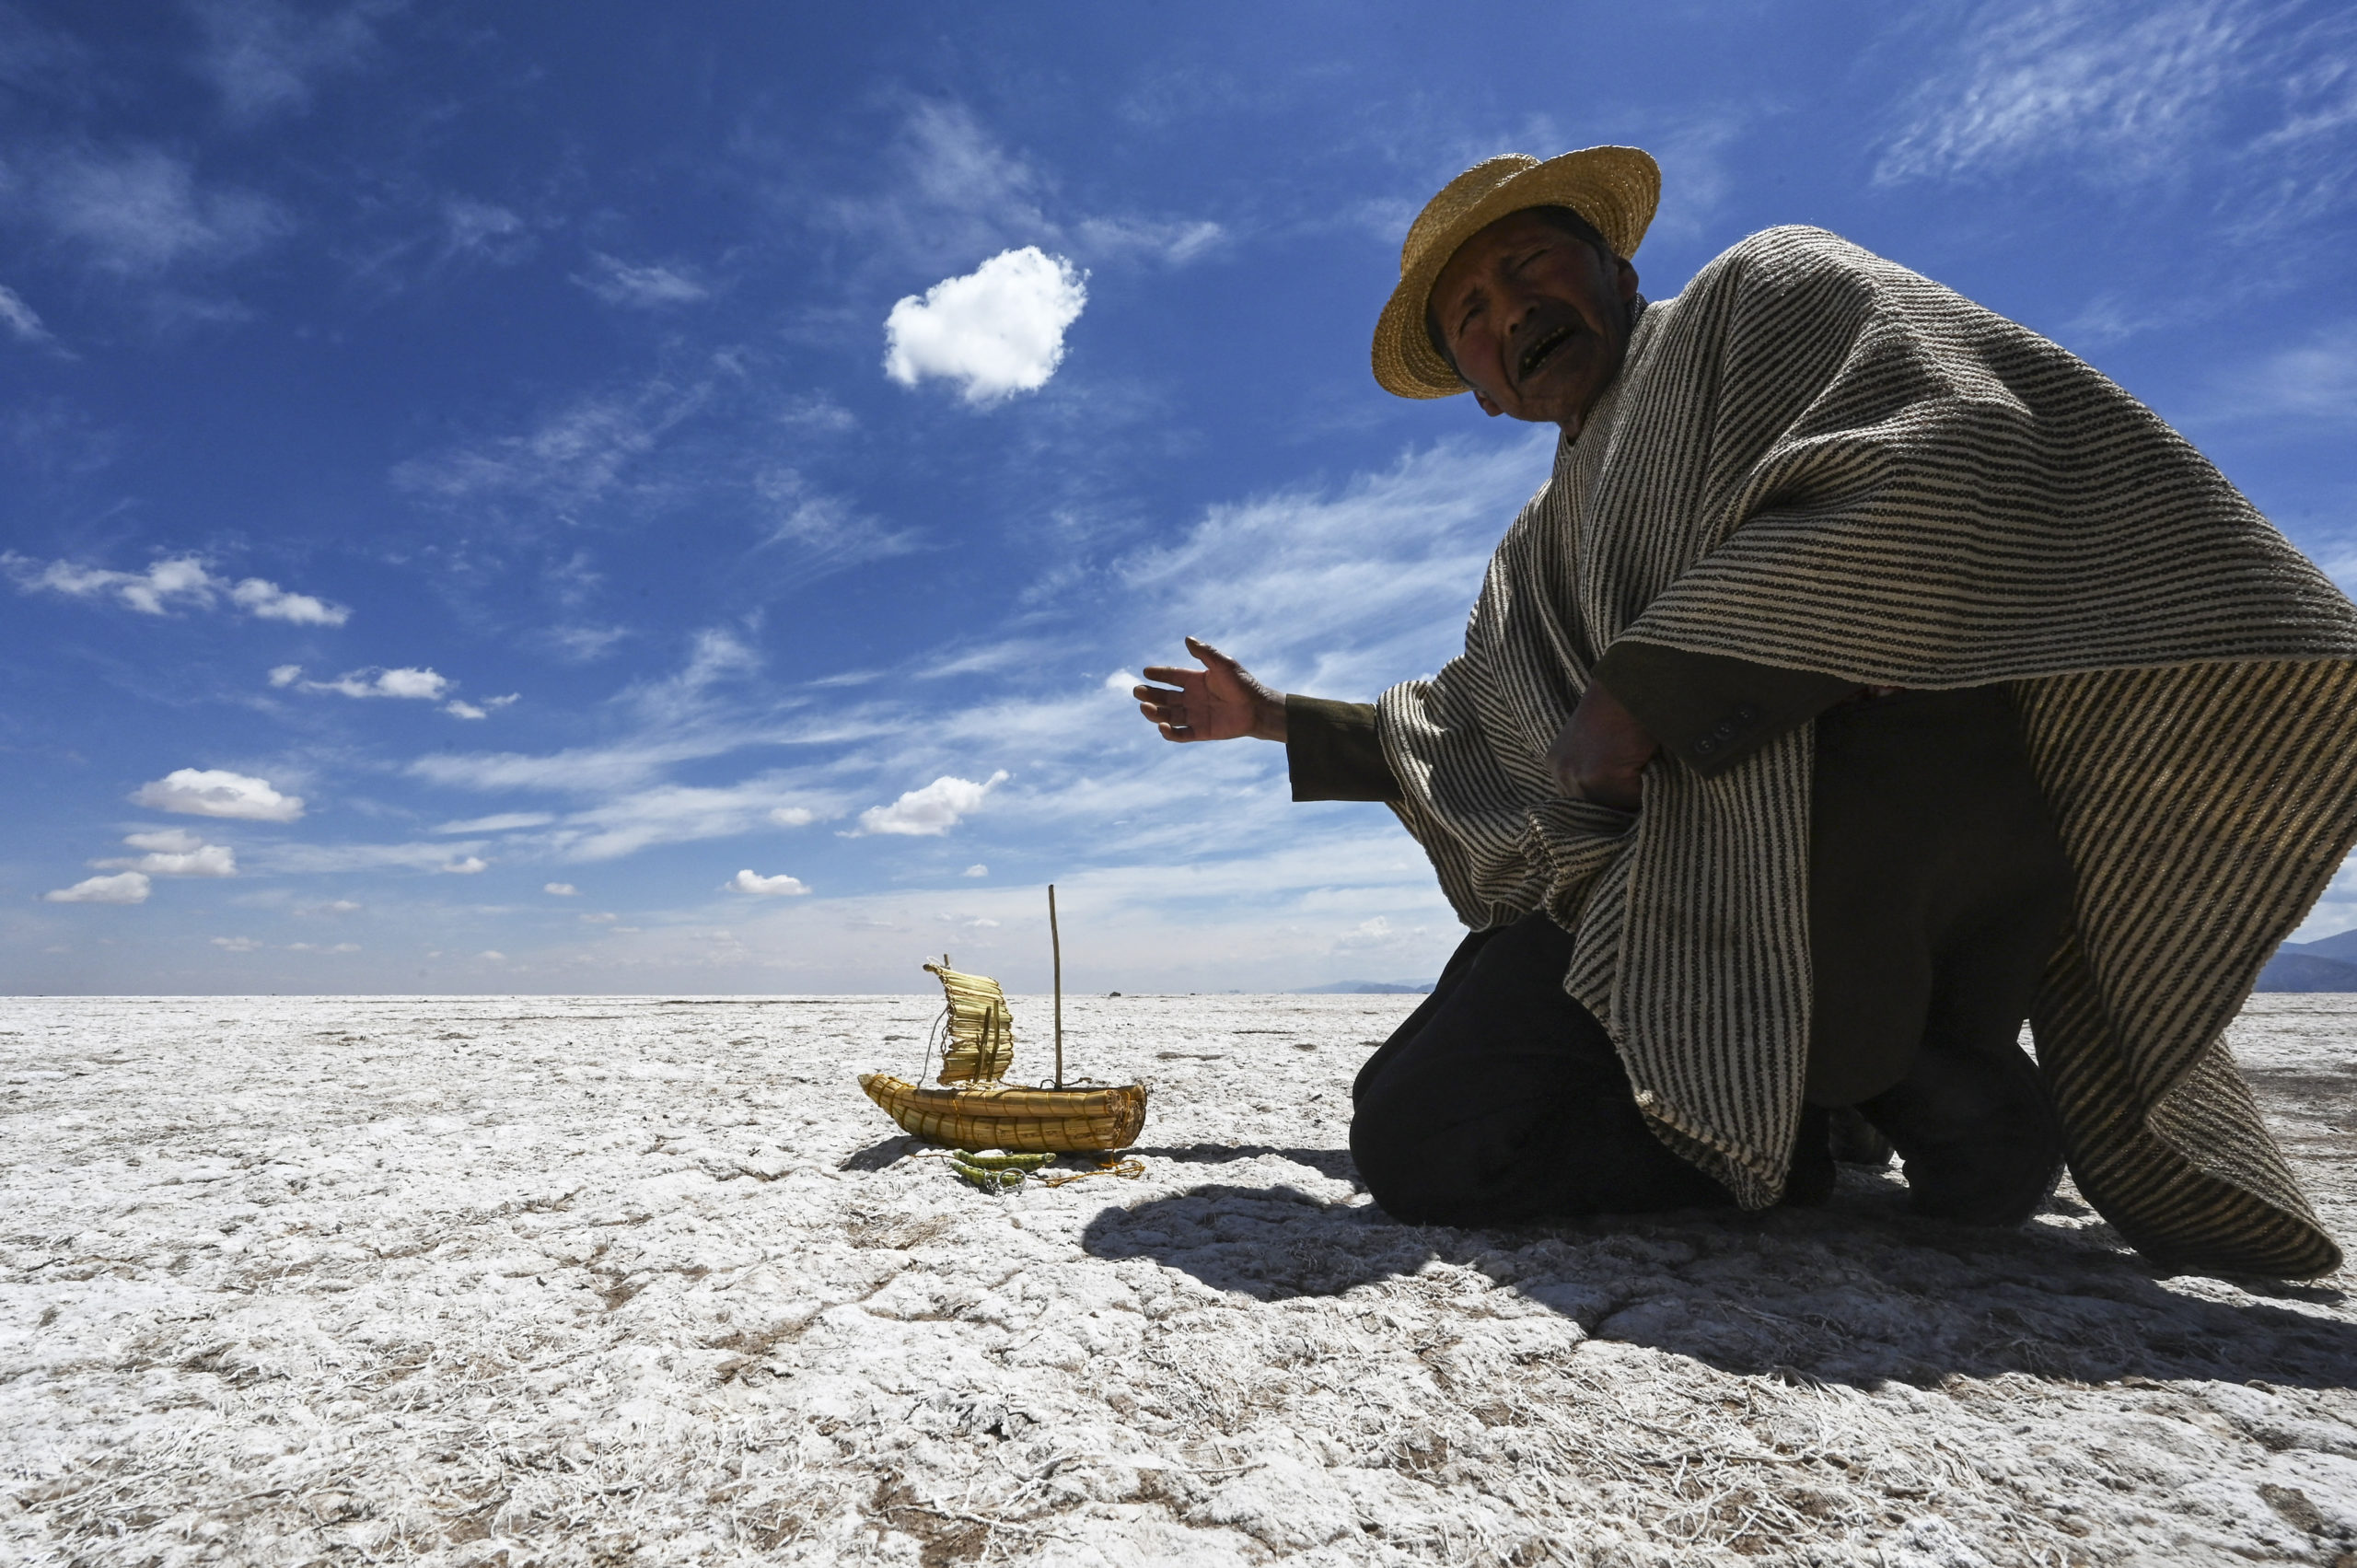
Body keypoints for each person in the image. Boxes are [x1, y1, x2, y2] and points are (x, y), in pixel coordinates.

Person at [1133, 146, 2357, 1278]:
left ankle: (1853, 1087)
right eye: (1471, 316)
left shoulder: (1760, 300)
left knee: (1433, 1139)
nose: (1510, 312)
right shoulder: (1532, 559)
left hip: (1883, 843)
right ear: (1480, 391)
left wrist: (1661, 686)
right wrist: (1271, 718)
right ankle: (1865, 1102)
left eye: (1528, 268)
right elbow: (1464, 728)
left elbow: (1962, 445)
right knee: (1421, 1120)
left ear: (1617, 268)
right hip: (1672, 890)